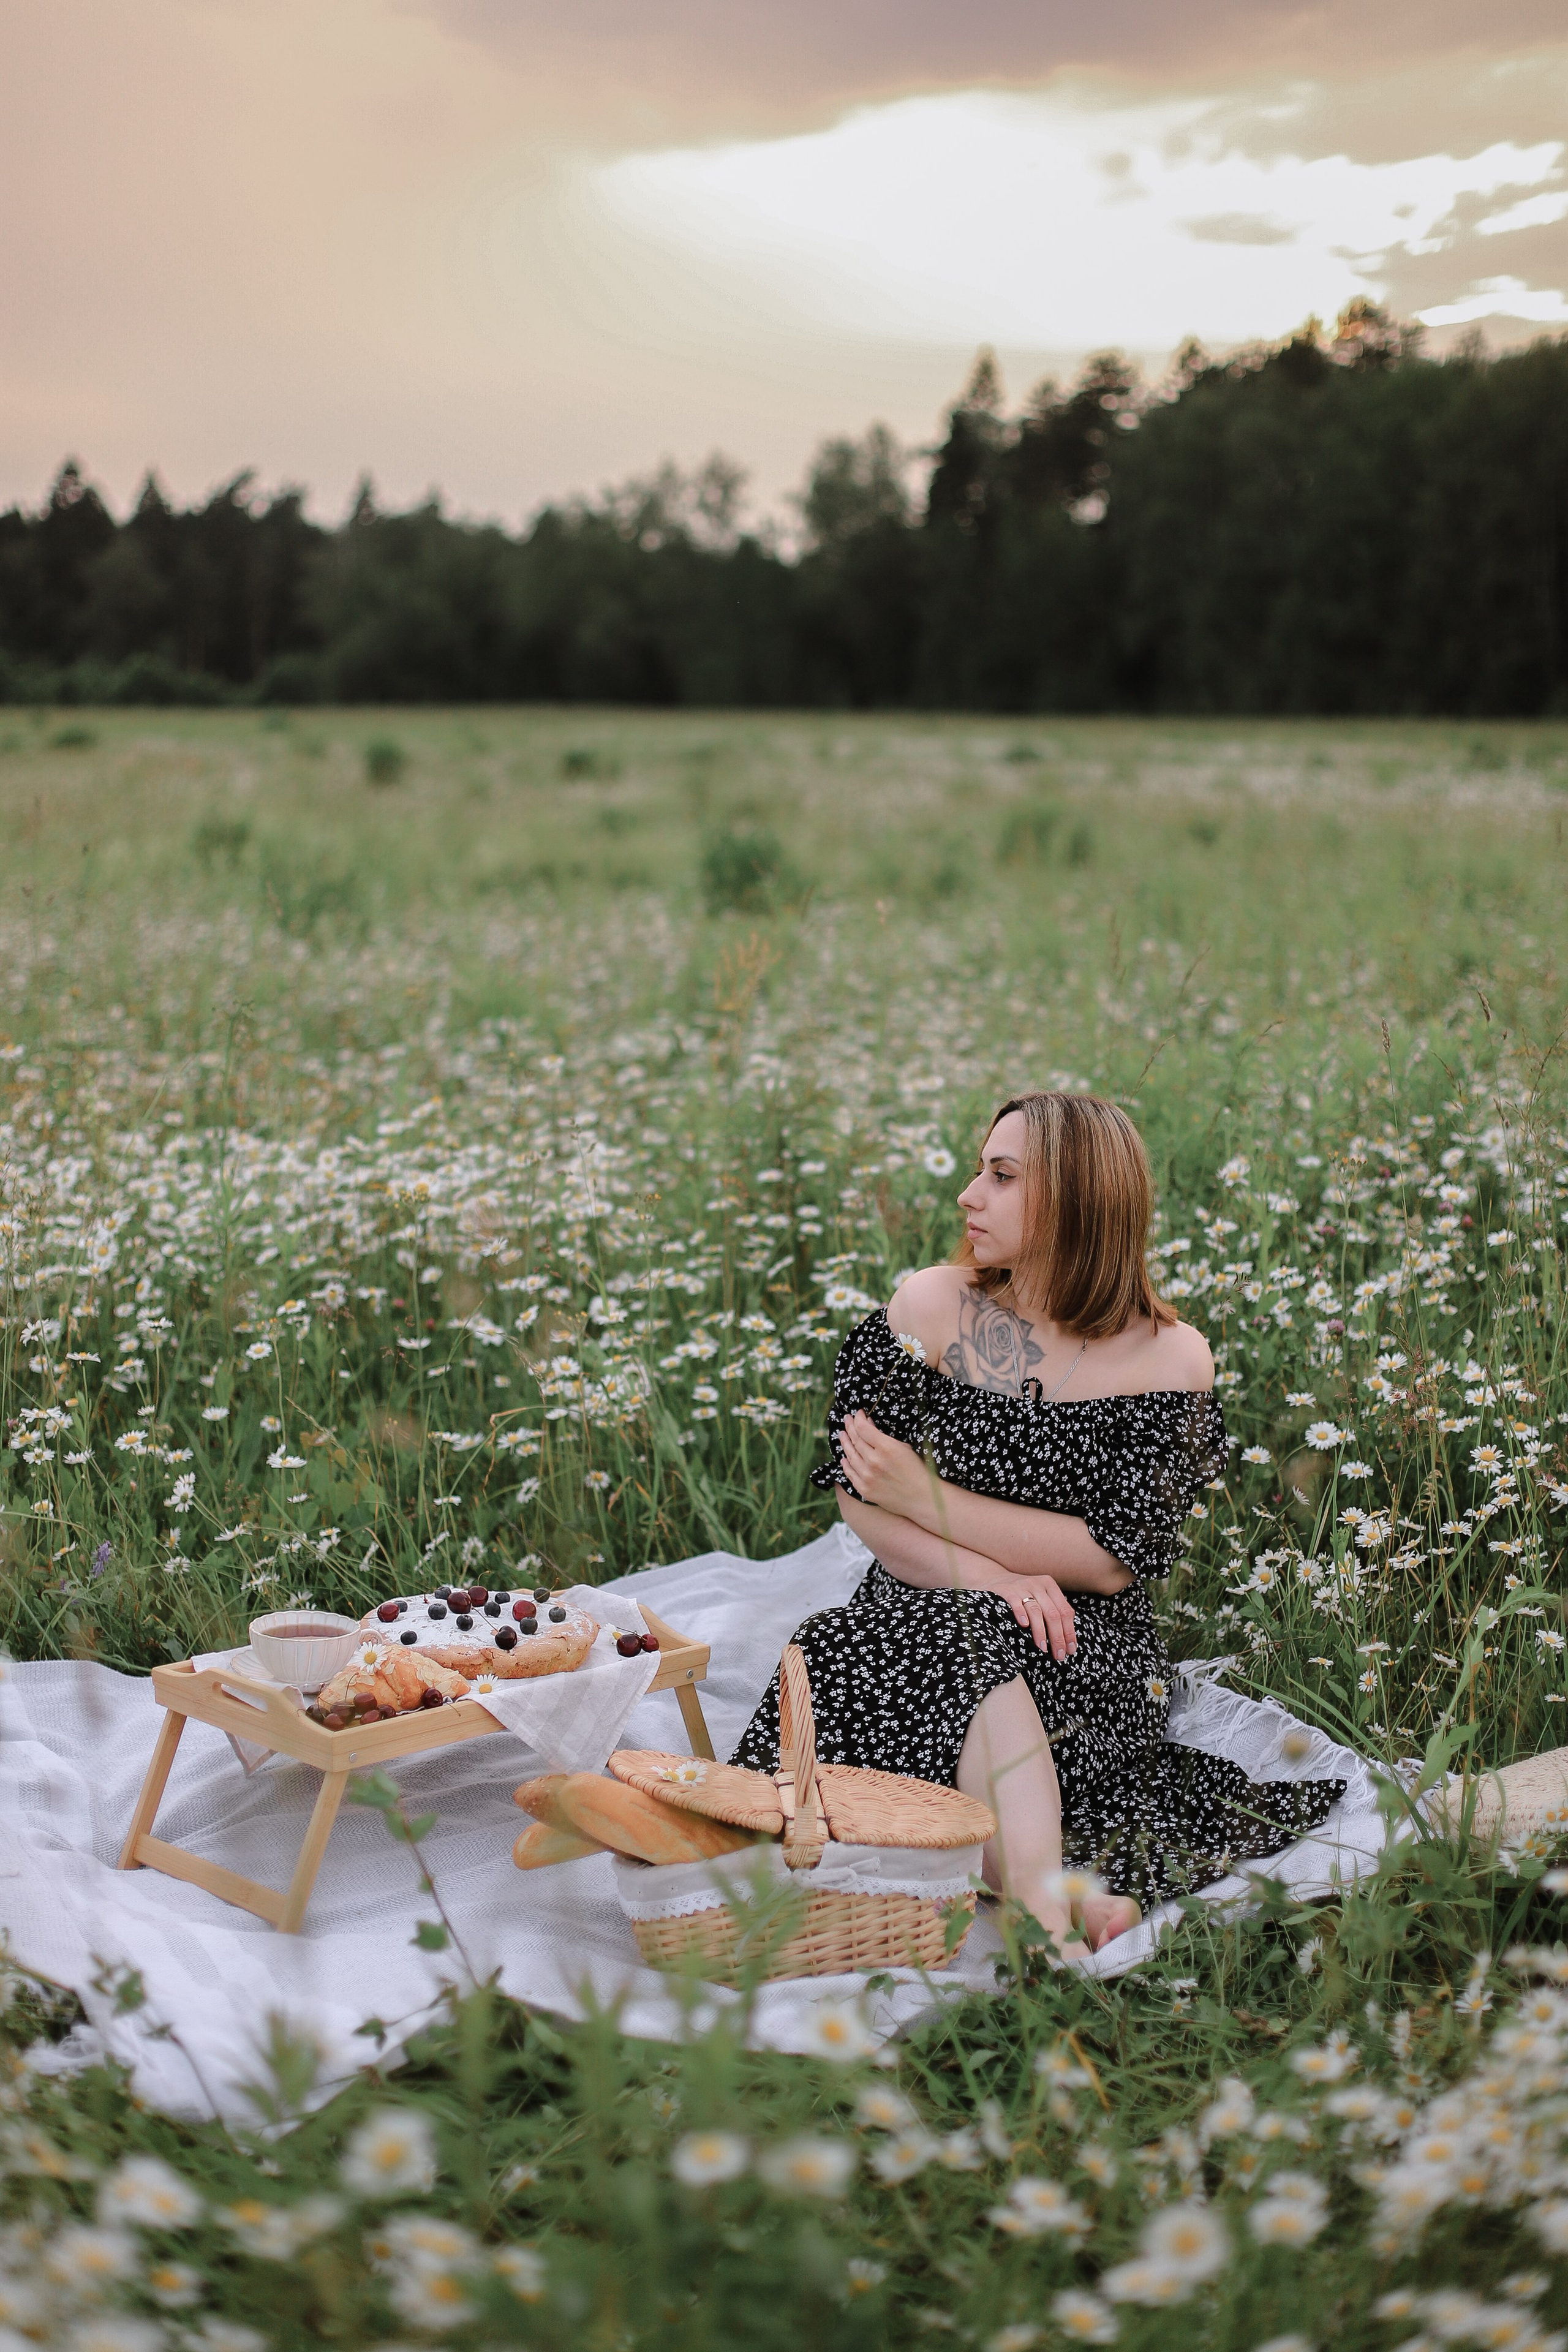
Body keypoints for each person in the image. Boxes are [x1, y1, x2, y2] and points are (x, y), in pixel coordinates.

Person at [732, 1090, 1345, 1962]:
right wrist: (991, 1573)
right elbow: (862, 1494)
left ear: (1078, 1198)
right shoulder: (931, 1311)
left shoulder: (1170, 1358)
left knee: (983, 1685)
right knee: (857, 1646)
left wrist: (928, 1497)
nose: (967, 1196)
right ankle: (1052, 1903)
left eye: (1002, 1176)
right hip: (927, 1599)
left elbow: (1107, 1563)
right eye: (982, 1169)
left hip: (1080, 1641)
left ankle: (1032, 1908)